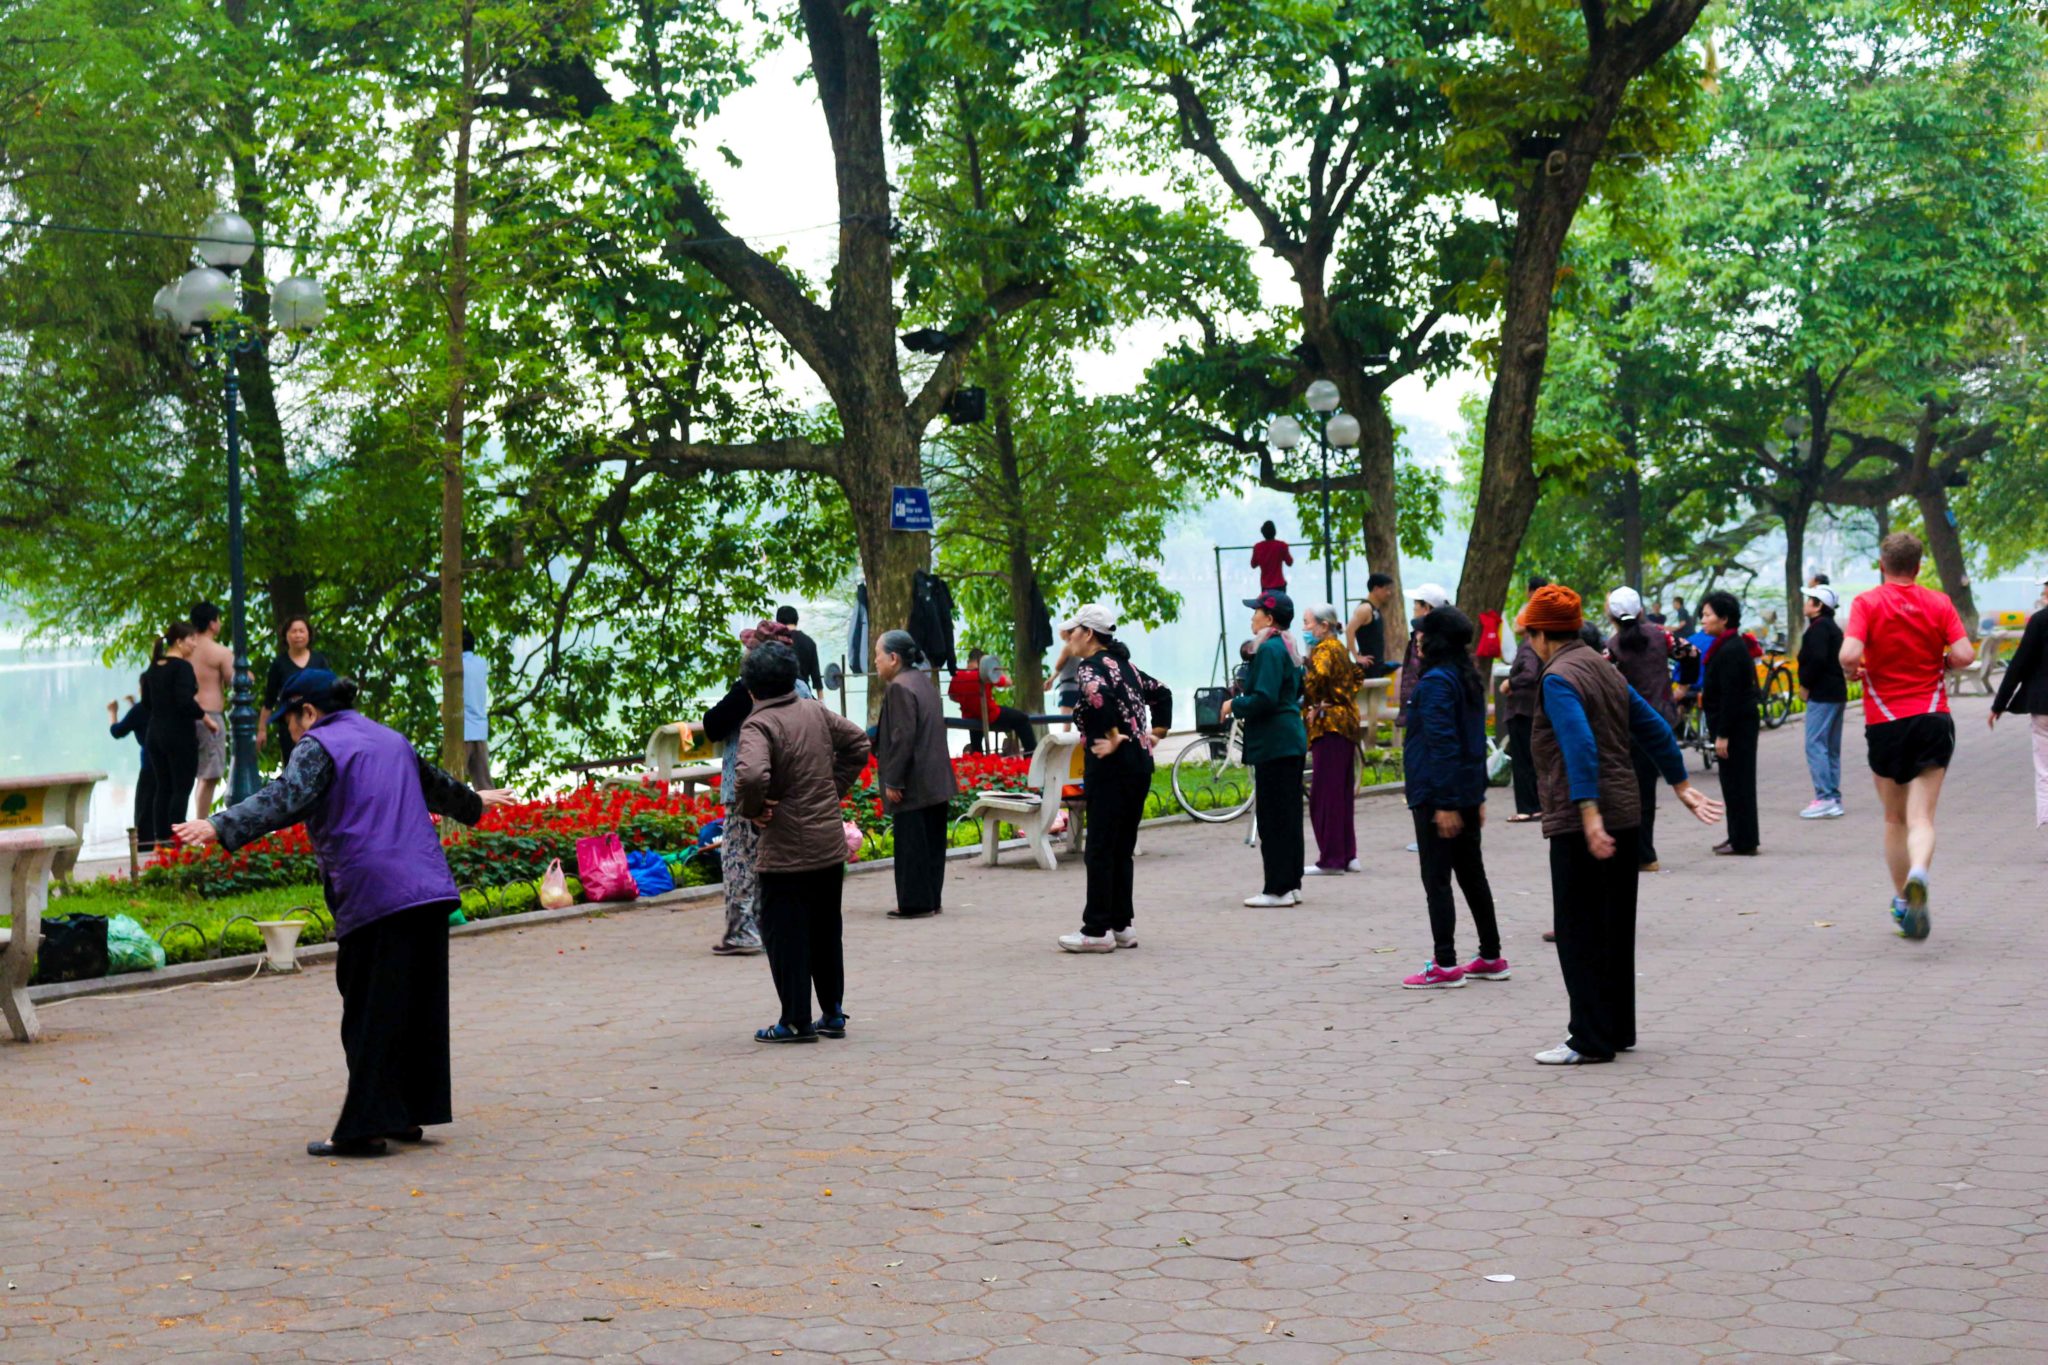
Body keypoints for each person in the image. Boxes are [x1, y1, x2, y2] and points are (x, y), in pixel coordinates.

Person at [172, 669, 512, 1155]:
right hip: (428, 890)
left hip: (376, 894)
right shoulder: (388, 737)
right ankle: (409, 1114)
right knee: (417, 1008)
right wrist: (474, 804)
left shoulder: (320, 744)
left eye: (291, 719)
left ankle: (364, 1130)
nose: (292, 731)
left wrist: (218, 824)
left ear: (307, 711)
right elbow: (435, 784)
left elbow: (285, 798)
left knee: (369, 1012)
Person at [1520, 585, 1723, 1064]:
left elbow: (1579, 745)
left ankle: (1587, 1039)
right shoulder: (1601, 665)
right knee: (1614, 926)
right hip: (1626, 810)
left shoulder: (1557, 677)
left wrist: (1588, 812)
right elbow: (1652, 724)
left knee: (1577, 929)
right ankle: (1617, 1029)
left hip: (1583, 820)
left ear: (1542, 634)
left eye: (1529, 633)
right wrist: (1679, 783)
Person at [732, 641, 871, 1042]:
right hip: (828, 845)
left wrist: (753, 810)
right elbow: (859, 743)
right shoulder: (814, 709)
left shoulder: (758, 725)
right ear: (793, 678)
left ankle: (795, 1020)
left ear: (752, 689)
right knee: (826, 929)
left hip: (784, 852)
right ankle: (832, 1013)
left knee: (786, 933)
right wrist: (832, 789)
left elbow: (753, 777)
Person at [1841, 532, 1975, 940]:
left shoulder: (1867, 602)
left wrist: (1853, 671)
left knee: (1893, 817)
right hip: (1933, 717)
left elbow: (1848, 654)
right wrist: (1946, 663)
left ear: (1883, 564)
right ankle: (1920, 871)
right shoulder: (1939, 602)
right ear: (1918, 567)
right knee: (1922, 817)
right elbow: (1966, 655)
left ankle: (1903, 900)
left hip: (1885, 722)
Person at [1400, 607, 1506, 988]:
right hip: (1462, 791)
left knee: (1438, 878)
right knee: (1471, 874)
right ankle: (1491, 955)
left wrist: (1445, 803)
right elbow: (1475, 742)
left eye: (1422, 633)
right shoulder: (1468, 679)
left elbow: (1443, 744)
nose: (1418, 638)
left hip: (1437, 794)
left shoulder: (1436, 685)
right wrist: (1476, 795)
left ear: (1435, 639)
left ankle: (1445, 963)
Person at [699, 620, 816, 955]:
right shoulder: (802, 689)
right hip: (791, 787)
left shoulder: (749, 690)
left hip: (748, 787)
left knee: (739, 859)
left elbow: (713, 725)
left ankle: (743, 931)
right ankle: (779, 924)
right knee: (780, 858)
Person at [1055, 605, 1160, 952]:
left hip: (1110, 767)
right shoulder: (1127, 666)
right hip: (1139, 764)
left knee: (1100, 847)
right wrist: (1156, 732)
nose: (1069, 638)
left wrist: (1114, 734)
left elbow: (1100, 699)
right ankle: (1121, 925)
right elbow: (1162, 692)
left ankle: (1096, 930)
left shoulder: (1089, 668)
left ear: (1088, 633)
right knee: (1121, 848)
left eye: (1073, 632)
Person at [1220, 590, 1308, 907]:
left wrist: (1234, 704)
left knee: (1273, 817)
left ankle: (1277, 889)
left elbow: (1265, 698)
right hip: (1288, 739)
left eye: (1256, 611)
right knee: (1288, 815)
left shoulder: (1270, 649)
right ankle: (1291, 883)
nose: (1252, 616)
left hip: (1276, 742)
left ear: (1269, 618)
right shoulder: (1288, 645)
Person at [1605, 588, 1688, 872]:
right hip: (1662, 718)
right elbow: (1692, 653)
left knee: (1629, 788)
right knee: (1646, 790)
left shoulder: (1613, 646)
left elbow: (1603, 679)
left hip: (1629, 725)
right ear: (1641, 611)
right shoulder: (1662, 636)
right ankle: (1644, 852)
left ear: (1611, 615)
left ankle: (1640, 853)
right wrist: (1682, 687)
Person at [873, 630, 954, 920]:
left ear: (893, 658)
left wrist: (894, 780)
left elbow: (901, 737)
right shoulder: (923, 681)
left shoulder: (899, 687)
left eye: (878, 656)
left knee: (911, 845)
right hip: (935, 779)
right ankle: (931, 899)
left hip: (914, 782)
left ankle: (915, 903)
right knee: (932, 844)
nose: (875, 662)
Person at [1300, 603, 1363, 876]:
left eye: (1307, 623)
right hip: (1346, 723)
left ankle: (1332, 858)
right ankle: (1348, 854)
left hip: (1330, 727)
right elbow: (1357, 675)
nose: (1305, 628)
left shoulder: (1324, 650)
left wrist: (1315, 701)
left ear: (1323, 626)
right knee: (1341, 792)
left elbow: (1318, 678)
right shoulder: (1339, 648)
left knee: (1325, 795)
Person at [141, 623, 216, 849]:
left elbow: (146, 703)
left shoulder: (154, 667)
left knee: (163, 787)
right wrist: (206, 718)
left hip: (154, 735)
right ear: (180, 642)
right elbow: (184, 701)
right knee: (181, 788)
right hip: (178, 735)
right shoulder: (182, 667)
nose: (195, 644)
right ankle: (177, 840)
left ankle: (161, 841)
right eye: (192, 639)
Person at [1698, 590, 1761, 857]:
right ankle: (1737, 836)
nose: (1703, 620)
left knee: (1739, 783)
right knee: (1732, 782)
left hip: (1737, 728)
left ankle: (1744, 840)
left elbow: (1732, 696)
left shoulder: (1732, 649)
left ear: (1724, 619)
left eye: (1707, 615)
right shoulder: (1726, 646)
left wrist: (1723, 734)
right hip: (1733, 726)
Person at [1988, 576, 2048, 831]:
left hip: (2043, 707)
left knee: (2045, 772)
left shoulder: (2039, 621)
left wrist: (1998, 705)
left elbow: (2019, 665)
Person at [1796, 585, 1848, 819]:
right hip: (1836, 692)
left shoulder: (1818, 629)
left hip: (1822, 693)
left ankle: (1825, 797)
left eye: (1810, 599)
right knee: (1830, 746)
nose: (1806, 602)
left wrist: (1805, 685)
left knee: (1815, 744)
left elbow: (1816, 660)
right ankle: (1832, 797)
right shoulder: (1831, 628)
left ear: (1819, 606)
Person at [187, 602, 235, 819]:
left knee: (196, 774)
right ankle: (201, 825)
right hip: (210, 717)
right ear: (212, 623)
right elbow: (235, 680)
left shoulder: (185, 647)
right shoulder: (220, 652)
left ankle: (192, 825)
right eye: (219, 619)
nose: (221, 623)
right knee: (210, 775)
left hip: (186, 715)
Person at [257, 616, 329, 752]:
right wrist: (262, 729)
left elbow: (330, 692)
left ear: (309, 634)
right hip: (290, 726)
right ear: (286, 635)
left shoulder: (319, 660)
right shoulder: (279, 664)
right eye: (293, 631)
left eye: (302, 631)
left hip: (317, 724)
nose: (298, 635)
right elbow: (269, 700)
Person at [948, 649, 1037, 756]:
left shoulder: (957, 676)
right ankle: (1031, 755)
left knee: (976, 742)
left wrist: (966, 701)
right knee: (1022, 719)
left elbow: (952, 696)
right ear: (981, 661)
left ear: (969, 660)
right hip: (991, 715)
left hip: (969, 716)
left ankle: (978, 760)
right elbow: (1008, 682)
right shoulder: (983, 674)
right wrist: (996, 670)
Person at [1396, 583, 1451, 730]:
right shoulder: (1447, 634)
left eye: (1415, 605)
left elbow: (1415, 673)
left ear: (1426, 608)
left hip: (1423, 707)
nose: (1413, 610)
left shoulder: (1425, 637)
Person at [107, 688, 156, 851]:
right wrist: (133, 704)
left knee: (144, 808)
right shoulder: (165, 704)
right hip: (170, 765)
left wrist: (112, 712)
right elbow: (144, 720)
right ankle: (167, 843)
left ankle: (144, 847)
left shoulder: (140, 709)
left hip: (150, 765)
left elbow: (117, 731)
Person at [1346, 572, 1398, 679]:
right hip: (1367, 667)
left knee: (1400, 669)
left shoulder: (1376, 610)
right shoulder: (1365, 609)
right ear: (1375, 589)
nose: (1389, 593)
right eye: (1386, 589)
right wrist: (1356, 656)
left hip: (1377, 665)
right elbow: (1349, 630)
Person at [460, 628, 492, 789]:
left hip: (463, 730)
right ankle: (491, 814)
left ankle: (454, 814)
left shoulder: (456, 665)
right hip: (479, 729)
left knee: (455, 780)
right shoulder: (481, 663)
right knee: (484, 782)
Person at [776, 605, 825, 696]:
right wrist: (821, 701)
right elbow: (816, 677)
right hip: (804, 695)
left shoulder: (774, 642)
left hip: (780, 696)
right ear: (796, 620)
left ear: (778, 622)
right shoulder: (809, 642)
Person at [1250, 520, 1292, 592]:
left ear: (1263, 533)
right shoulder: (1282, 545)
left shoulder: (1257, 547)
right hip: (1280, 586)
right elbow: (1290, 562)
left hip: (1265, 587)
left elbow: (1253, 565)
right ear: (1275, 532)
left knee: (1267, 603)